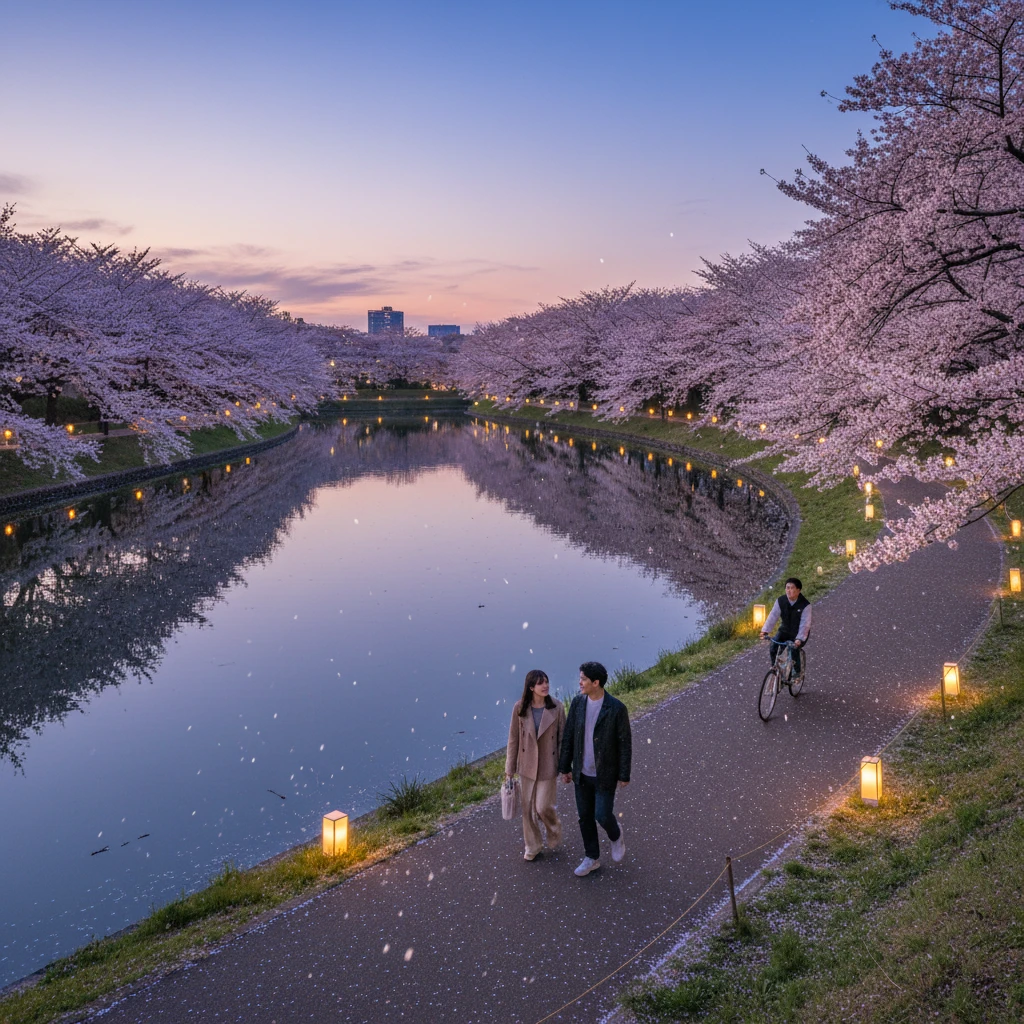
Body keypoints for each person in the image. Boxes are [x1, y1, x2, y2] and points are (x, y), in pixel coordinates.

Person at [558, 661, 632, 876]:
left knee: (602, 814)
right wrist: (565, 767)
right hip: (582, 773)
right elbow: (569, 736)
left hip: (605, 774)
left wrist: (624, 773)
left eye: (583, 679)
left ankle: (616, 835)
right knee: (584, 817)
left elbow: (624, 743)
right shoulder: (577, 703)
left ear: (596, 682)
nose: (579, 683)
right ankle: (592, 857)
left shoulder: (616, 708)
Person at [505, 669, 565, 860]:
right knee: (527, 810)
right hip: (527, 766)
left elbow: (563, 739)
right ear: (531, 687)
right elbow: (513, 739)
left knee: (542, 807)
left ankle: (554, 828)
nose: (545, 686)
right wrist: (509, 770)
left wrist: (565, 767)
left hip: (549, 764)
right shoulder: (520, 708)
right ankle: (532, 846)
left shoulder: (557, 707)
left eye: (546, 682)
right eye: (540, 683)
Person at [760, 577, 812, 678]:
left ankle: (797, 673)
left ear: (798, 590)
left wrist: (799, 639)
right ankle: (774, 668)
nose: (789, 590)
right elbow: (773, 616)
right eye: (787, 588)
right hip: (785, 629)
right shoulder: (781, 601)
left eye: (792, 588)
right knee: (773, 646)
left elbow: (805, 624)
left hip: (798, 633)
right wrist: (765, 631)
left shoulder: (805, 605)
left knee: (794, 650)